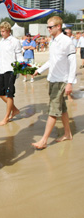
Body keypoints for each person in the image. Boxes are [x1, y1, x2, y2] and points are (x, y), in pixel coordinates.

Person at [32, 16, 76, 150]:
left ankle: (44, 140)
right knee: (62, 109)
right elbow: (51, 60)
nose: (48, 29)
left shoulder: (67, 41)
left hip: (61, 80)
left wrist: (70, 83)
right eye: (48, 27)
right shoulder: (53, 41)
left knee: (52, 110)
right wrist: (38, 70)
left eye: (50, 27)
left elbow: (73, 63)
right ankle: (67, 134)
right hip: (52, 78)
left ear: (58, 27)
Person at [0, 21, 24, 126]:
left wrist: (20, 67)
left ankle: (6, 118)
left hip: (11, 70)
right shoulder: (1, 42)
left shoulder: (15, 41)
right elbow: (1, 57)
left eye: (3, 31)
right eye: (1, 31)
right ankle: (15, 110)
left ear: (8, 31)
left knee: (9, 94)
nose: (2, 33)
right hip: (2, 69)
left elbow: (19, 55)